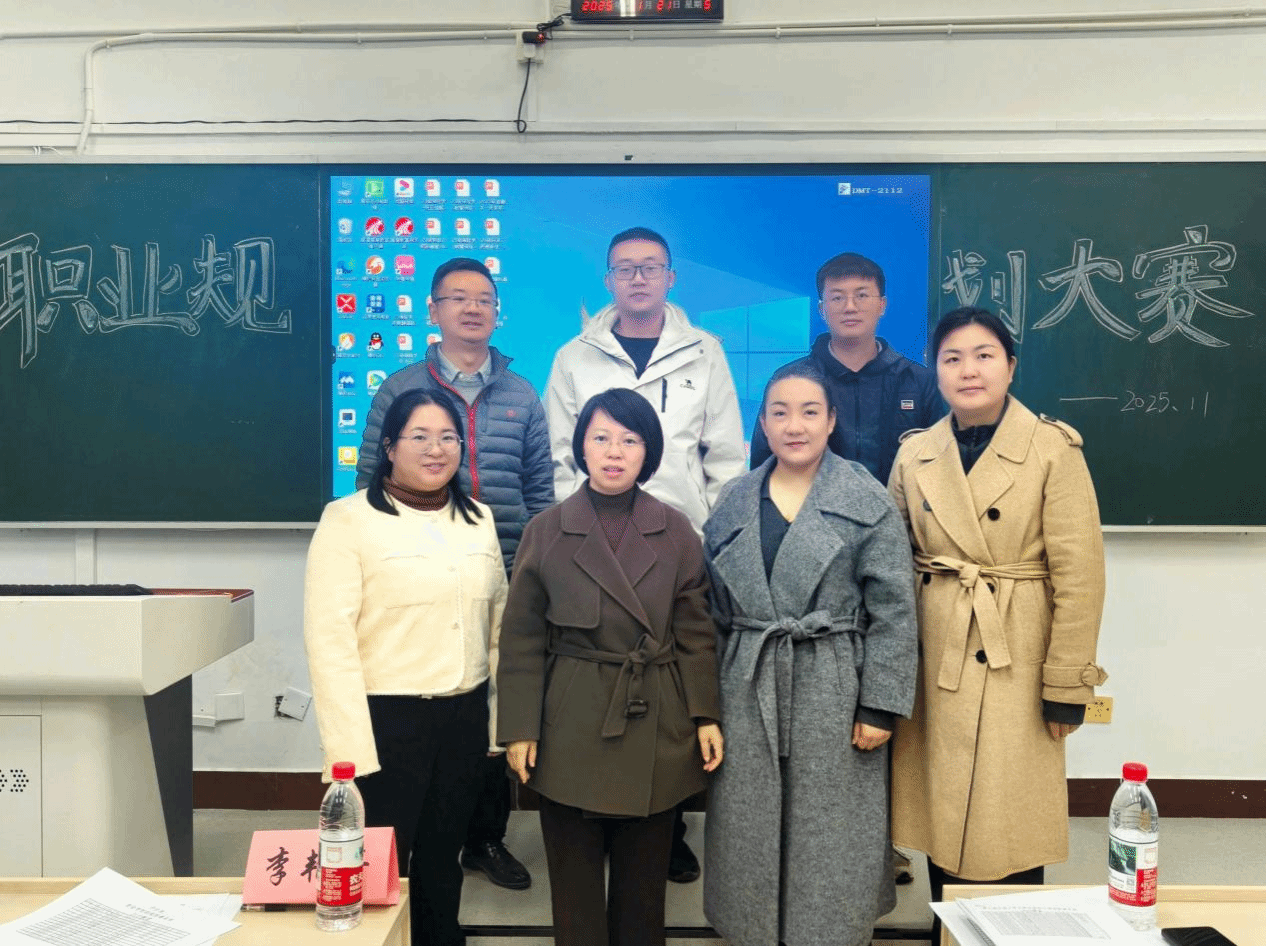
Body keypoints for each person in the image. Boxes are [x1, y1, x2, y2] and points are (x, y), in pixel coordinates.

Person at [887, 306, 1108, 927]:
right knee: (944, 813)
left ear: (1011, 366)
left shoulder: (1052, 449)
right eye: (952, 358)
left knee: (1007, 817)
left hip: (1018, 651)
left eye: (984, 356)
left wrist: (1066, 685)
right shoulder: (915, 454)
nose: (969, 370)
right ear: (935, 372)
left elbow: (1081, 578)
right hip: (938, 650)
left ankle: (1011, 935)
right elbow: (889, 571)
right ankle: (949, 932)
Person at [544, 226, 745, 879]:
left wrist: (710, 541)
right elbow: (559, 456)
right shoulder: (574, 356)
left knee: (671, 681)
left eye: (650, 267)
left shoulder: (704, 351)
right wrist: (576, 533)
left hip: (677, 547)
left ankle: (669, 823)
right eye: (625, 268)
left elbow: (726, 456)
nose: (637, 278)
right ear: (608, 279)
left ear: (670, 278)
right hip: (594, 545)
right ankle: (598, 812)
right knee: (599, 675)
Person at [498, 388, 723, 946]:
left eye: (629, 439)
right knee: (573, 893)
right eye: (600, 437)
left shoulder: (677, 530)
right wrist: (520, 727)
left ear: (649, 452)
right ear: (581, 447)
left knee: (643, 893)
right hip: (569, 718)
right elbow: (522, 639)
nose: (614, 451)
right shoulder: (546, 529)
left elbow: (696, 635)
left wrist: (706, 715)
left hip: (655, 714)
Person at [702, 363, 918, 946]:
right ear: (763, 423)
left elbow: (895, 610)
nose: (794, 426)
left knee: (832, 830)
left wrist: (880, 706)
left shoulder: (864, 496)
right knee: (747, 822)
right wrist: (705, 706)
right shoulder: (734, 498)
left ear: (831, 420)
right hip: (747, 678)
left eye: (809, 412)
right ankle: (750, 929)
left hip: (834, 684)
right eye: (779, 412)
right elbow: (711, 611)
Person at [355, 257, 551, 890]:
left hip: (507, 567)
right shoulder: (400, 387)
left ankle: (485, 838)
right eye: (458, 298)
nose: (472, 308)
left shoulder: (522, 393)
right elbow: (369, 481)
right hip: (420, 572)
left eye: (484, 299)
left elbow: (539, 487)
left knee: (494, 699)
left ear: (497, 312)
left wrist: (538, 566)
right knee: (435, 701)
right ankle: (416, 835)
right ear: (433, 311)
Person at [305, 388, 507, 946]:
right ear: (390, 447)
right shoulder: (348, 520)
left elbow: (498, 628)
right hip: (386, 721)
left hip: (464, 716)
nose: (435, 449)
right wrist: (347, 749)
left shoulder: (479, 519)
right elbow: (329, 640)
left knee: (444, 854)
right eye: (419, 436)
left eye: (447, 437)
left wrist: (498, 724)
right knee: (380, 859)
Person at [749, 251, 943, 486]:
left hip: (899, 508)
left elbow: (939, 468)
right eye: (837, 298)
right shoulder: (790, 381)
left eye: (861, 295)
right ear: (822, 309)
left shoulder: (917, 381)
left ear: (882, 305)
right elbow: (762, 469)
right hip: (811, 509)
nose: (850, 307)